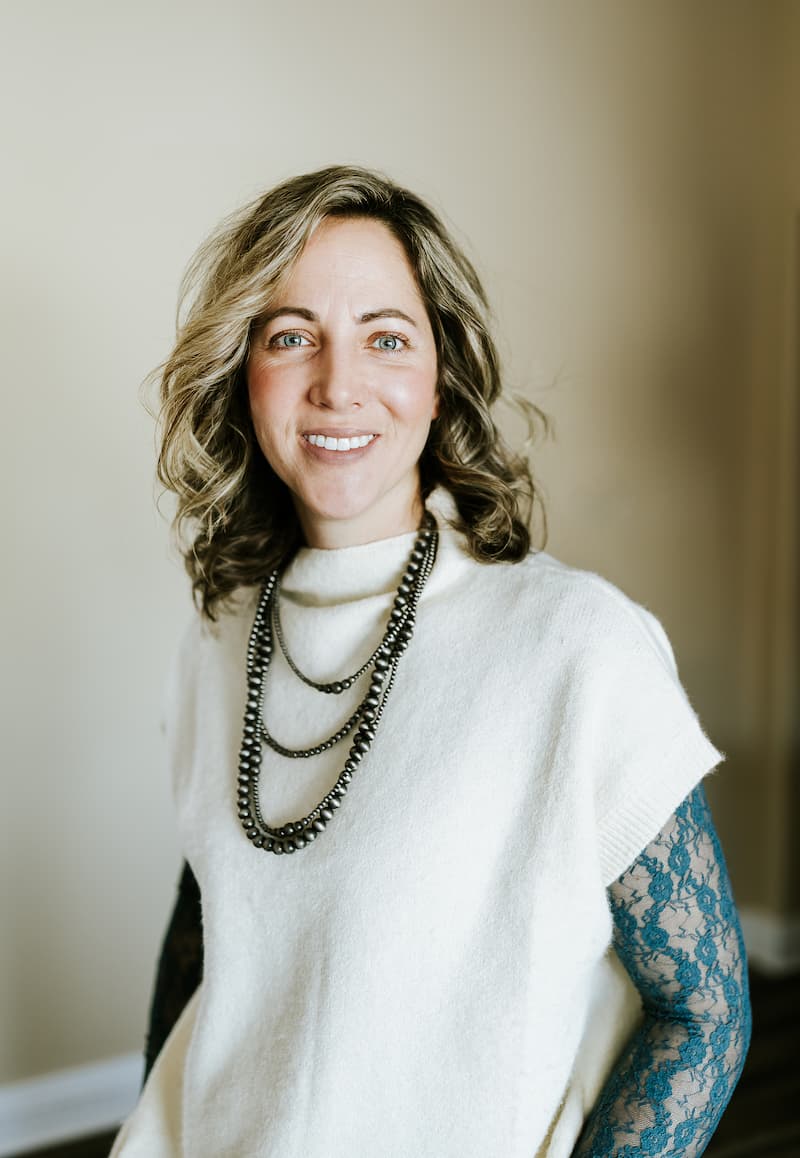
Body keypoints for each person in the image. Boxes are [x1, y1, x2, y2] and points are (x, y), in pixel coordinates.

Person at [110, 165, 751, 1157]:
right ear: (243, 370)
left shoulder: (574, 647)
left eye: (385, 336)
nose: (336, 382)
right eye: (290, 336)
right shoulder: (218, 636)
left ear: (440, 371)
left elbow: (701, 1014)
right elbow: (207, 935)